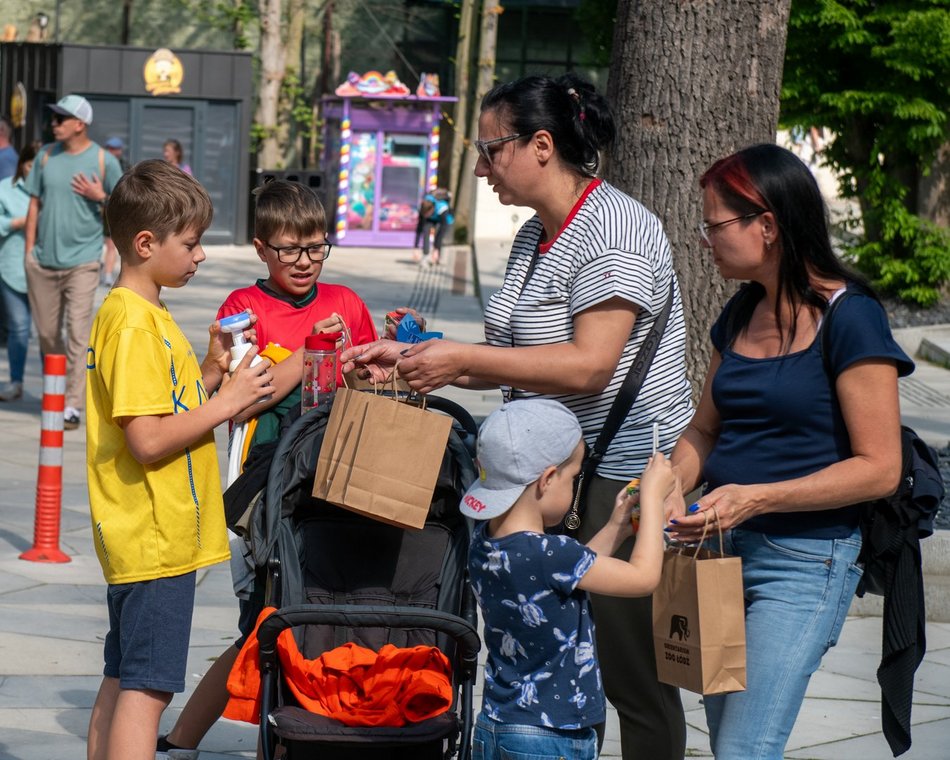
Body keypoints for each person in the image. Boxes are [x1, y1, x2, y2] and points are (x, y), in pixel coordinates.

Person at [342, 73, 693, 759]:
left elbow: (590, 363)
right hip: (549, 470)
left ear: (541, 145)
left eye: (489, 148)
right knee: (543, 658)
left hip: (613, 473)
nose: (480, 166)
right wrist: (416, 359)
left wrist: (459, 356)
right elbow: (512, 354)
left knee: (629, 674)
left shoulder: (614, 228)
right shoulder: (538, 233)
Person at [666, 143, 913, 759]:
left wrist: (758, 499)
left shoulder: (851, 318)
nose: (705, 240)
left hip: (804, 562)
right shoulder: (739, 310)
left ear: (767, 226)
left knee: (746, 749)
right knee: (728, 743)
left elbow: (881, 469)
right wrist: (668, 484)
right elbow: (705, 431)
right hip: (717, 556)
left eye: (715, 225)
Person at [157, 178, 378, 758]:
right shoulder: (243, 310)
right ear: (261, 248)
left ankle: (194, 737)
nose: (304, 262)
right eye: (289, 249)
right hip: (265, 474)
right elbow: (243, 398)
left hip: (336, 470)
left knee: (318, 609)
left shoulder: (348, 303)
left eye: (316, 248)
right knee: (263, 616)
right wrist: (311, 350)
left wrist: (362, 363)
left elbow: (369, 389)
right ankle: (206, 737)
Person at [84, 159, 274, 760]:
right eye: (190, 244)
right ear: (145, 243)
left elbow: (160, 408)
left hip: (143, 535)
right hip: (156, 536)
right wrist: (233, 402)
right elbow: (148, 440)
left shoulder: (143, 313)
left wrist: (214, 371)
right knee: (148, 689)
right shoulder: (136, 324)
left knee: (122, 676)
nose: (200, 256)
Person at [463, 398, 674, 760]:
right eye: (573, 477)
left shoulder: (485, 542)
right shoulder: (552, 552)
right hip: (550, 738)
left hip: (497, 727)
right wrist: (653, 501)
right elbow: (642, 578)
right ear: (546, 480)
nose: (574, 486)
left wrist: (615, 526)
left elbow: (568, 574)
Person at [24, 94, 123, 429]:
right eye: (53, 119)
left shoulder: (103, 161)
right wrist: (28, 253)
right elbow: (34, 204)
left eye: (60, 119)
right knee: (49, 334)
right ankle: (55, 392)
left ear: (79, 124)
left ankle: (72, 404)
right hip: (43, 262)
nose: (54, 124)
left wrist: (102, 198)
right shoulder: (45, 157)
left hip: (82, 262)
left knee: (78, 333)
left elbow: (125, 207)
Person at [0, 143, 37, 401]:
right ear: (22, 164)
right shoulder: (5, 188)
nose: (33, 170)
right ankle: (15, 381)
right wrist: (16, 222)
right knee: (19, 327)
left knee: (49, 332)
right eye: (29, 164)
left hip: (46, 270)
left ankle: (54, 387)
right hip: (11, 267)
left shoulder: (52, 191)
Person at [101, 136, 130, 287]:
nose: (111, 152)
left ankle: (107, 273)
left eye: (114, 149)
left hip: (112, 209)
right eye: (109, 148)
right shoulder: (100, 164)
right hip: (96, 208)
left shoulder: (125, 167)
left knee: (111, 245)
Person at [413, 188, 453, 265]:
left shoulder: (442, 208)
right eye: (424, 215)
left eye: (427, 215)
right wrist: (416, 247)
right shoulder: (423, 209)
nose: (426, 216)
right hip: (432, 218)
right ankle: (425, 256)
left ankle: (437, 256)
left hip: (443, 220)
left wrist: (436, 248)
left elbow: (442, 231)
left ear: (432, 209)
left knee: (439, 235)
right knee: (425, 230)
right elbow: (419, 228)